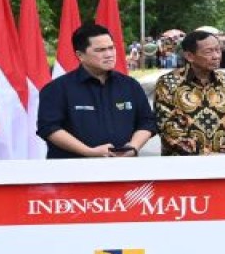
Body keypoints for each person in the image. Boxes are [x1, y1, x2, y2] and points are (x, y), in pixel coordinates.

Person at [37, 22, 156, 159]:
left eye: (111, 48)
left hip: (122, 166)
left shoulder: (130, 85)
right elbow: (49, 128)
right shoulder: (57, 89)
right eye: (100, 50)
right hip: (73, 167)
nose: (109, 54)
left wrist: (133, 147)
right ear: (80, 55)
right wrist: (89, 152)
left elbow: (147, 122)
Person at [153, 30, 225, 156]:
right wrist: (202, 156)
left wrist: (224, 153)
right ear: (189, 56)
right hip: (182, 163)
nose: (216, 56)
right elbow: (167, 127)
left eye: (218, 50)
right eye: (209, 52)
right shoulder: (168, 83)